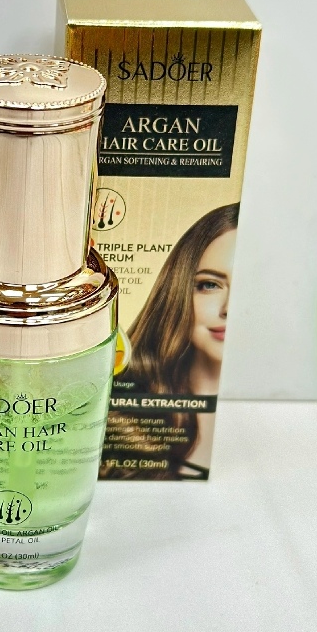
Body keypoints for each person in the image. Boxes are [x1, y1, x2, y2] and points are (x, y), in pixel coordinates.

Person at [102, 203, 239, 480]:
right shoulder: (124, 417)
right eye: (209, 285)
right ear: (179, 290)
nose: (228, 308)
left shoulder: (280, 416)